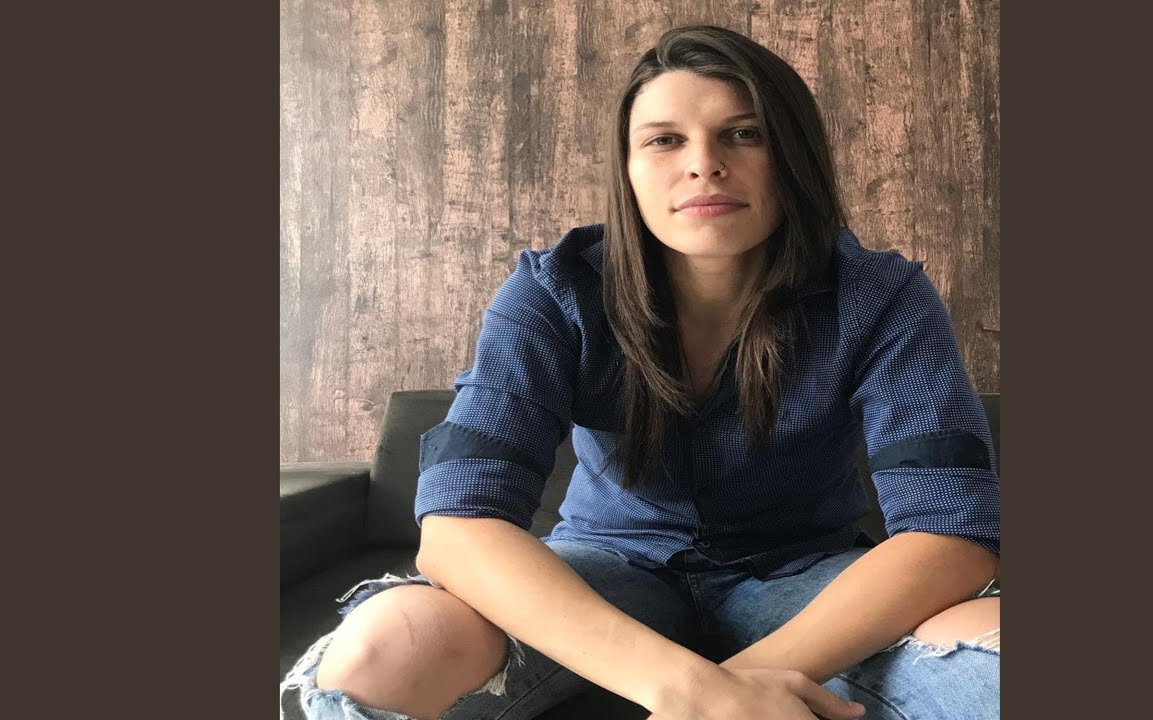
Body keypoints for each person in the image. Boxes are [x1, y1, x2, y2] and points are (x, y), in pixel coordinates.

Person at [282, 24, 1000, 720]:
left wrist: (726, 693)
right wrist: (682, 688)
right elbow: (459, 524)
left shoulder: (880, 296)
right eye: (664, 140)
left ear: (794, 157)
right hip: (606, 571)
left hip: (805, 577)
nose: (704, 164)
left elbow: (952, 529)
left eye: (744, 134)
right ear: (626, 168)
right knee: (382, 651)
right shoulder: (556, 291)